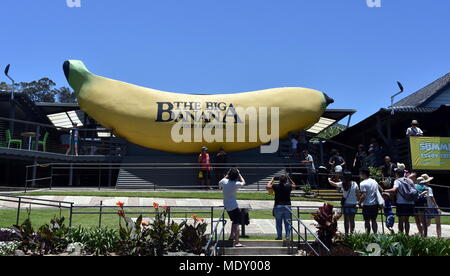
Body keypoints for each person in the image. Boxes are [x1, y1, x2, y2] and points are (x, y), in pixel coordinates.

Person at [384, 169, 417, 236]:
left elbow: (394, 190)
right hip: (410, 202)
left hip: (401, 203)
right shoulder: (409, 180)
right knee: (407, 221)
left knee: (401, 221)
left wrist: (385, 190)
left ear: (397, 174)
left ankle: (401, 235)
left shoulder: (397, 181)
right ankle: (407, 235)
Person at [219, 168, 246, 247]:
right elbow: (244, 182)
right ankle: (237, 242)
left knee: (234, 221)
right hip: (234, 206)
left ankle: (231, 236)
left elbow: (219, 182)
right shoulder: (236, 183)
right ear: (236, 176)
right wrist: (239, 174)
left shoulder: (224, 181)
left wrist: (228, 174)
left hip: (227, 206)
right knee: (237, 224)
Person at [328, 171, 359, 235]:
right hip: (353, 204)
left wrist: (329, 179)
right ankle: (352, 233)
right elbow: (358, 194)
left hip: (346, 204)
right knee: (352, 220)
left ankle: (347, 233)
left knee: (346, 220)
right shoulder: (355, 184)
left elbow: (334, 184)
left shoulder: (343, 184)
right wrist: (357, 202)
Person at [266, 175, 296, 240]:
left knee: (278, 222)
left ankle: (279, 236)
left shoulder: (276, 186)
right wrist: (290, 179)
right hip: (287, 206)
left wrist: (272, 180)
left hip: (278, 206)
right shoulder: (288, 186)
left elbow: (267, 187)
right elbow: (294, 185)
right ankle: (287, 236)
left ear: (279, 180)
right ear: (286, 180)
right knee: (288, 222)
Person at [418, 174, 442, 238]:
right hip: (432, 207)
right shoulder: (429, 188)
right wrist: (437, 206)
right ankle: (439, 236)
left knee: (427, 223)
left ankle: (419, 233)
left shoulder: (421, 188)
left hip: (426, 207)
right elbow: (432, 197)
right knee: (438, 223)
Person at [358, 168, 381, 234]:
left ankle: (367, 235)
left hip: (367, 204)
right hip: (375, 204)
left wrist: (359, 203)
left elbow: (364, 195)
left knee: (367, 221)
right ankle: (375, 234)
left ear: (364, 174)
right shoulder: (374, 181)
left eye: (361, 174)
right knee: (374, 220)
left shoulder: (362, 183)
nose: (360, 175)